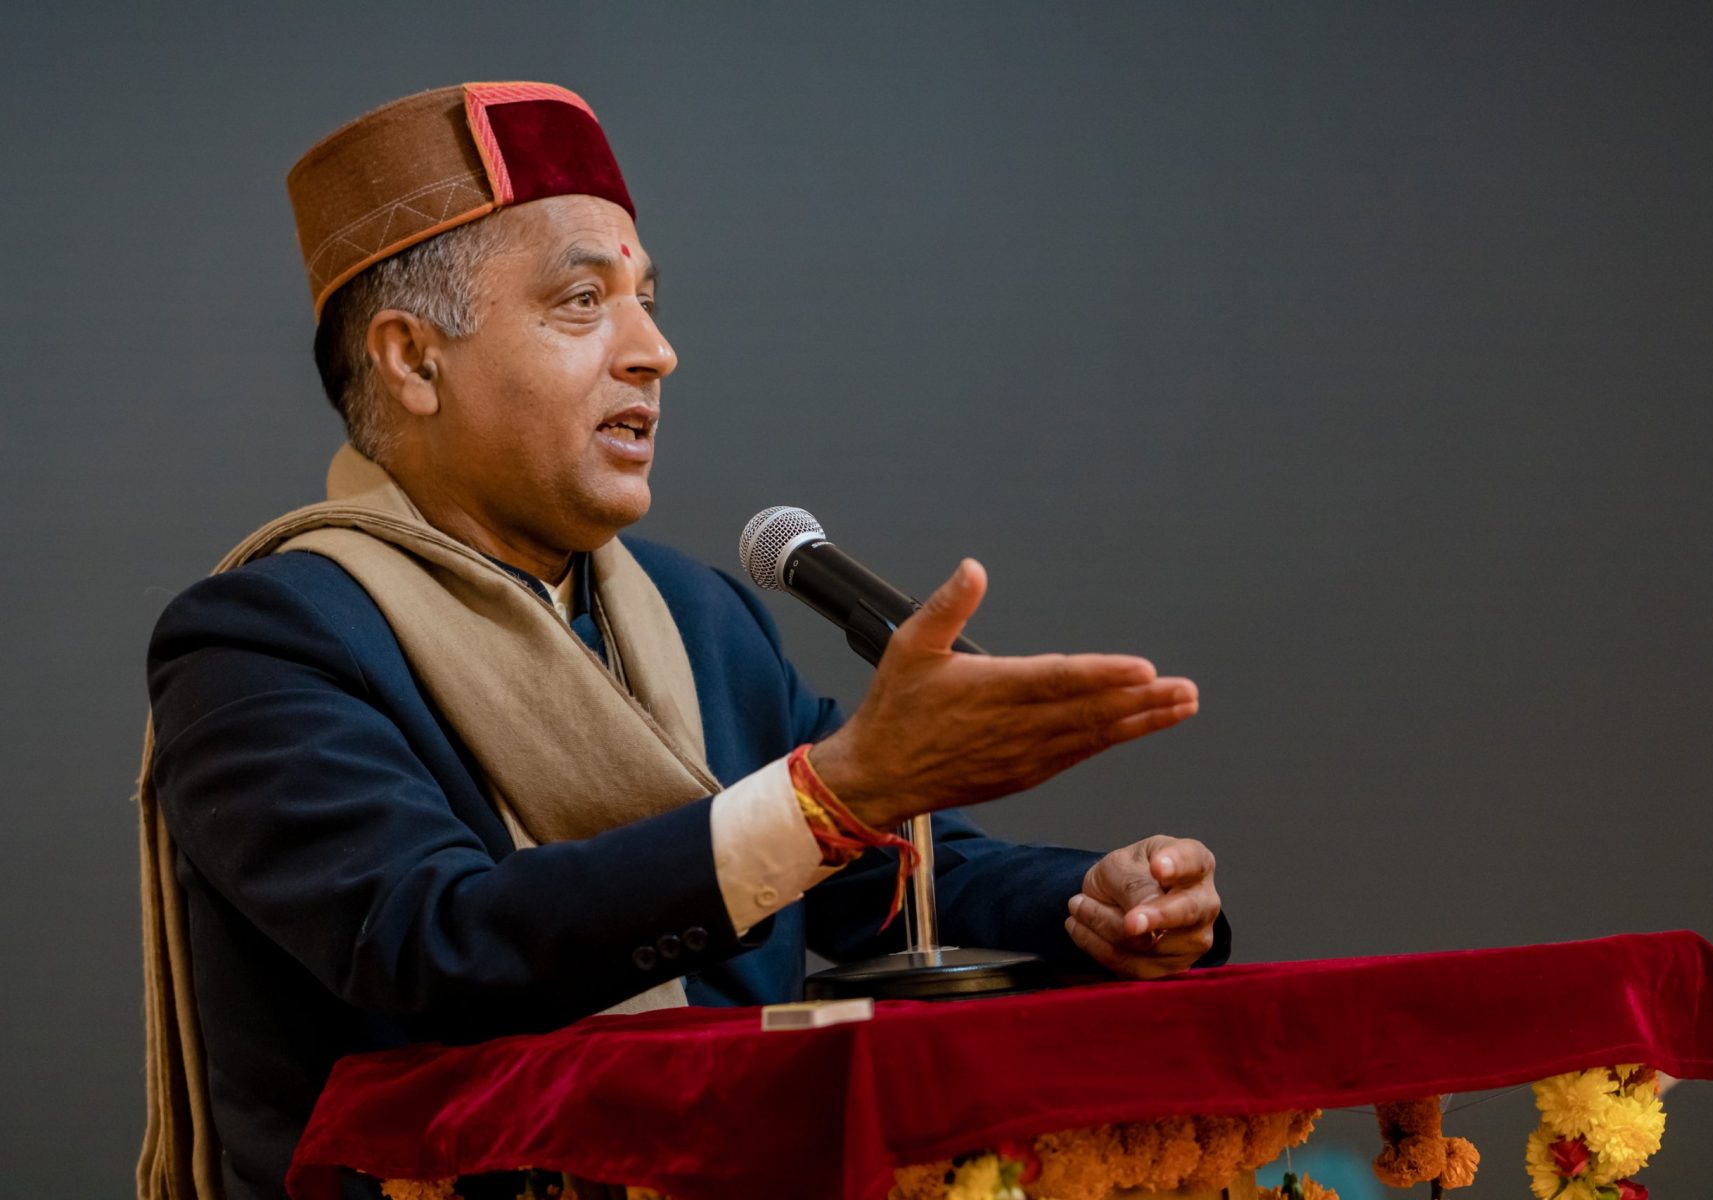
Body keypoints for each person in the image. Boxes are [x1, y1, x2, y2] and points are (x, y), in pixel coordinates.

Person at [136, 82, 1228, 1200]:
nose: (655, 351)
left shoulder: (698, 613)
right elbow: (432, 942)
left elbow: (883, 878)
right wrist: (829, 796)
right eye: (583, 301)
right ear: (414, 360)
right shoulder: (264, 643)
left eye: (648, 302)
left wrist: (1106, 904)